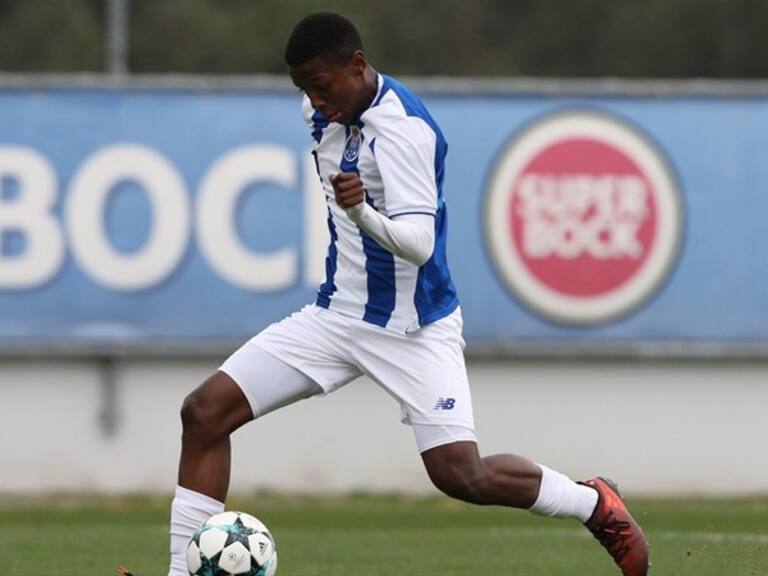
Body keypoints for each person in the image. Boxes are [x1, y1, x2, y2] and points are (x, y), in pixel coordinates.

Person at [161, 12, 650, 576]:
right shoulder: (324, 111)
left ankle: (595, 503)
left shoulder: (405, 132)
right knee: (203, 413)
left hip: (414, 328)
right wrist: (353, 201)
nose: (315, 103)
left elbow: (418, 244)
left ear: (358, 65)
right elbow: (331, 127)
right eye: (304, 90)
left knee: (459, 474)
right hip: (335, 315)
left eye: (322, 86)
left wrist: (361, 210)